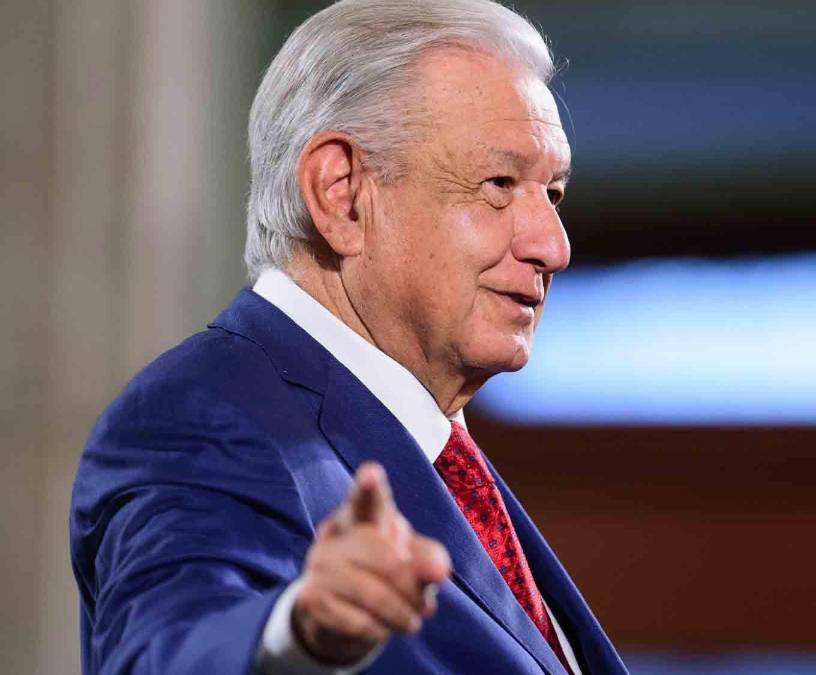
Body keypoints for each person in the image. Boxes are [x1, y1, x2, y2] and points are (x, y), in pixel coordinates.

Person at [68, 1, 628, 673]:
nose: (553, 246)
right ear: (342, 192)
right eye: (499, 184)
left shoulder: (442, 458)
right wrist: (297, 632)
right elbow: (172, 649)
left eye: (553, 193)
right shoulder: (200, 416)